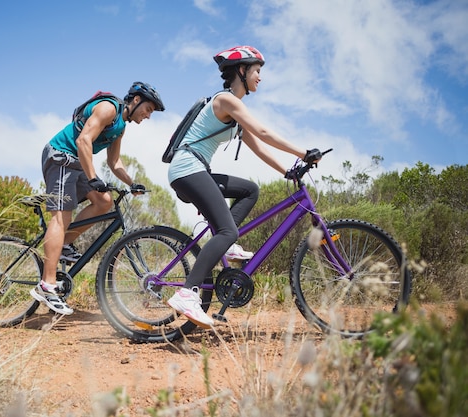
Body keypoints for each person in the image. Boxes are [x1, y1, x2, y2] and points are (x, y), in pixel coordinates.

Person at [166, 46, 322, 327]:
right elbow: (263, 131)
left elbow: (258, 146)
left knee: (250, 190)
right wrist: (303, 152)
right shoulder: (227, 100)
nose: (260, 77)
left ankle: (225, 245)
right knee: (227, 230)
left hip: (194, 168)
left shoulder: (233, 116)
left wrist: (287, 170)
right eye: (257, 71)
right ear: (241, 71)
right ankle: (187, 293)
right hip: (188, 168)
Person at [32, 82, 165, 315]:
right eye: (148, 109)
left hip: (76, 162)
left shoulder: (120, 127)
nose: (148, 116)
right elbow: (84, 140)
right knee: (62, 217)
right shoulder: (108, 109)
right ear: (135, 100)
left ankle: (62, 244)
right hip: (61, 156)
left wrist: (131, 183)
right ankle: (47, 285)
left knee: (104, 202)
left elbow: (114, 162)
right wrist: (93, 177)